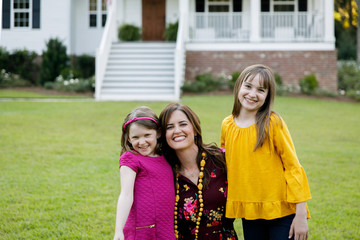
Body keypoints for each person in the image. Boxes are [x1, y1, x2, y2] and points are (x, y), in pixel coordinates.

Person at [220, 64, 312, 240]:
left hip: (282, 213)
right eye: (248, 86)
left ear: (267, 96)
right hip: (251, 214)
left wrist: (300, 214)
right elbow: (227, 164)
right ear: (238, 86)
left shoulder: (272, 123)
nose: (253, 94)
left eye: (261, 90)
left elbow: (293, 167)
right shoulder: (227, 125)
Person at [159, 103, 238, 240]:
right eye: (169, 127)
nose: (177, 131)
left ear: (195, 129)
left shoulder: (221, 159)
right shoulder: (163, 172)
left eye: (183, 124)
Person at [113, 106, 175, 240]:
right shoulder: (130, 158)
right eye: (135, 137)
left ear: (158, 133)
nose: (142, 142)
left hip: (165, 227)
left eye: (147, 135)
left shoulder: (166, 156)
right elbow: (126, 194)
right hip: (142, 229)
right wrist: (118, 230)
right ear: (128, 138)